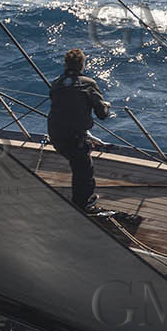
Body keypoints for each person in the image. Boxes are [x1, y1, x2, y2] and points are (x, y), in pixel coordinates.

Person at [47, 48, 112, 211]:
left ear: (65, 64)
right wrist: (105, 106)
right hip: (74, 136)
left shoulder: (56, 83)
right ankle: (82, 205)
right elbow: (101, 114)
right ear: (82, 65)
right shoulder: (88, 83)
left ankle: (80, 201)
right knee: (84, 168)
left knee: (78, 163)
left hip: (55, 134)